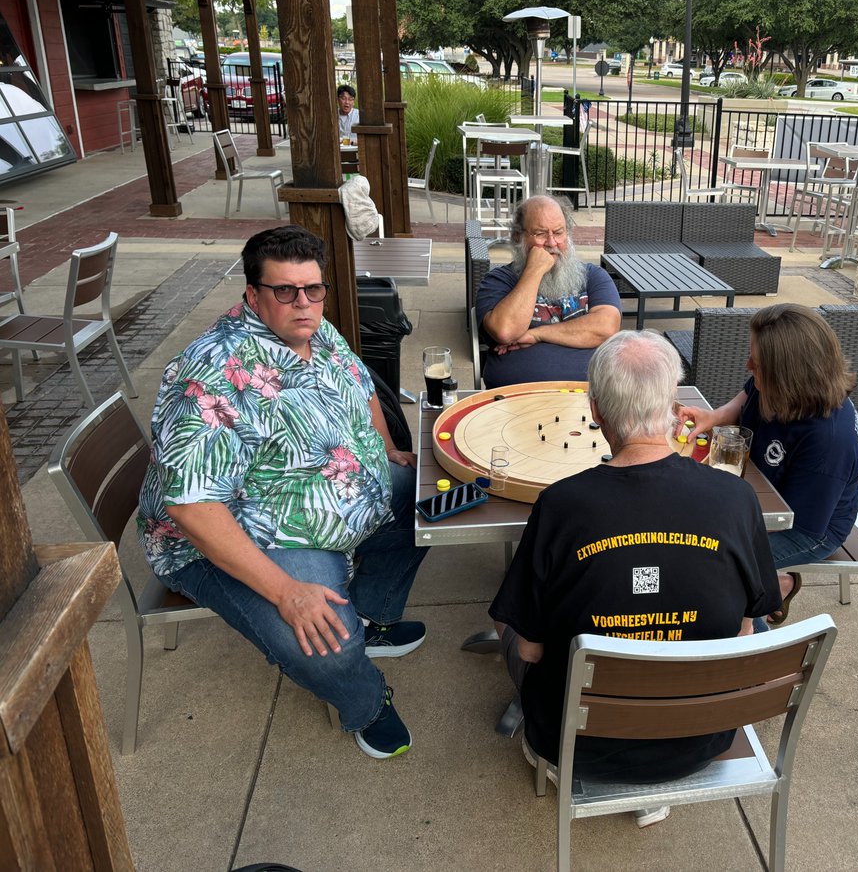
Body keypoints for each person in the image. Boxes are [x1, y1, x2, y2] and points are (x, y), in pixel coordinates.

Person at [138, 226, 428, 760]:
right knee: (326, 644)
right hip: (247, 533)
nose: (303, 302)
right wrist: (286, 592)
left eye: (313, 289)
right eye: (285, 291)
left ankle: (373, 616)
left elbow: (361, 387)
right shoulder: (211, 373)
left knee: (430, 501)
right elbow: (191, 505)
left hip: (326, 490)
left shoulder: (314, 328)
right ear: (253, 295)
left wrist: (388, 449)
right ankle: (366, 700)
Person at [489, 330, 780, 826]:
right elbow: (746, 630)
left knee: (511, 621)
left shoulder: (560, 506)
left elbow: (532, 652)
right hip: (699, 738)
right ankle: (651, 785)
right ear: (672, 407)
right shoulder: (736, 499)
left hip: (577, 744)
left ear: (596, 411)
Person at [677, 304, 858, 624]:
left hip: (809, 528)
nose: (748, 366)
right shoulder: (777, 382)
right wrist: (714, 417)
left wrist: (720, 520)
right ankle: (774, 582)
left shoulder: (829, 441)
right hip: (766, 490)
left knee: (714, 561)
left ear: (790, 376)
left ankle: (756, 640)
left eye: (757, 364)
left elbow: (797, 524)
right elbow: (746, 397)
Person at [475, 196, 621, 387]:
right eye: (540, 234)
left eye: (559, 232)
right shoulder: (499, 280)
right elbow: (506, 331)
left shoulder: (593, 276)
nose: (552, 243)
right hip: (516, 396)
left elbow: (606, 327)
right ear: (518, 237)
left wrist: (537, 334)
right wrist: (534, 270)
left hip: (589, 396)